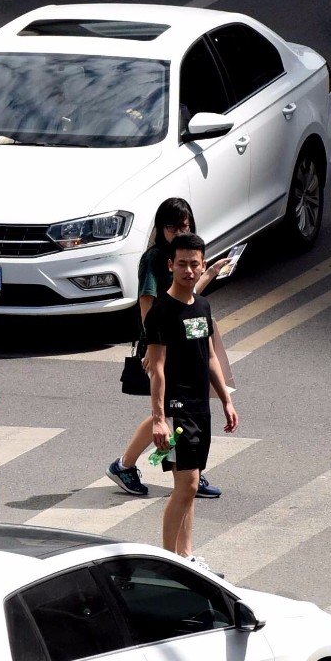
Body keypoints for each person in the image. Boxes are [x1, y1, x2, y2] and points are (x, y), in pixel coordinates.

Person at [106, 197, 232, 499]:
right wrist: (153, 345)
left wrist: (211, 272)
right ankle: (180, 472)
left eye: (184, 226)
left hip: (186, 346)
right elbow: (149, 306)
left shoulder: (186, 260)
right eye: (171, 227)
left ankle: (176, 470)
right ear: (160, 228)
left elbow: (186, 296)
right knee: (171, 411)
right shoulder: (154, 260)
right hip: (163, 346)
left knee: (173, 411)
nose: (177, 232)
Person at [143, 233, 238, 570]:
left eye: (193, 264)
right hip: (178, 409)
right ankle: (170, 561)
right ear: (170, 265)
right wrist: (158, 418)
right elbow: (156, 368)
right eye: (181, 263)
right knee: (188, 484)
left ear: (202, 267)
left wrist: (225, 398)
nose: (187, 269)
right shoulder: (161, 313)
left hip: (202, 407)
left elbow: (209, 355)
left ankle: (186, 556)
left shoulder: (202, 306)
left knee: (189, 484)